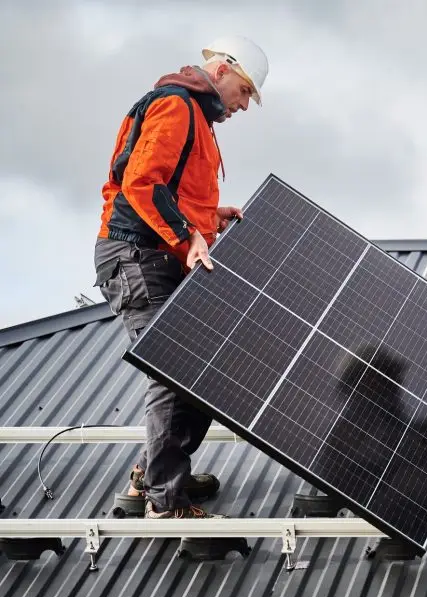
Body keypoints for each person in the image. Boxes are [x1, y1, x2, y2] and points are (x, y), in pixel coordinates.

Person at [92, 36, 269, 520]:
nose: (243, 106)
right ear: (223, 70)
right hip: (138, 255)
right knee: (173, 369)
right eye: (245, 92)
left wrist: (210, 216)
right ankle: (165, 499)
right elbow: (142, 183)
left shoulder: (198, 118)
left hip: (160, 254)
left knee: (201, 372)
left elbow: (175, 190)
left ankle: (151, 472)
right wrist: (190, 234)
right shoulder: (175, 103)